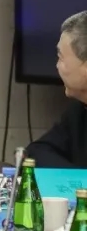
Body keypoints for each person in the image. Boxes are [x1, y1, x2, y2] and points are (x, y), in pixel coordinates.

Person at [26, 10, 87, 167]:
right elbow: (36, 151)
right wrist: (78, 178)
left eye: (61, 58)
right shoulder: (78, 111)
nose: (57, 66)